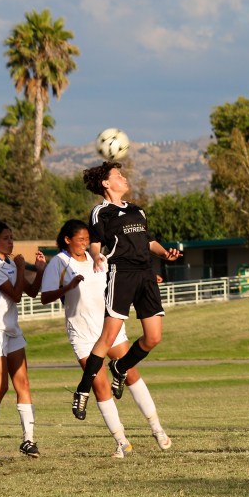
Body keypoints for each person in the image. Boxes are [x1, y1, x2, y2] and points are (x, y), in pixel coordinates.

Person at [41, 220, 172, 457]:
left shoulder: (100, 258)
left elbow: (124, 278)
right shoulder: (59, 262)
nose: (85, 243)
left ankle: (157, 429)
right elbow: (45, 297)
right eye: (80, 239)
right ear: (68, 240)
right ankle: (122, 442)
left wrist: (148, 279)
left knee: (131, 374)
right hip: (82, 333)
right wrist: (68, 287)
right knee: (100, 386)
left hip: (110, 327)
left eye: (88, 239)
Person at [71, 161, 181, 420]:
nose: (123, 178)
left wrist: (165, 253)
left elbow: (149, 242)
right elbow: (95, 243)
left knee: (153, 337)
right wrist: (96, 256)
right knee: (108, 336)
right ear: (106, 184)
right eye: (118, 175)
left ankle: (120, 367)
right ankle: (83, 390)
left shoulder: (137, 210)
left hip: (146, 275)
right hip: (122, 274)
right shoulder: (101, 212)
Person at [0, 222, 47, 462]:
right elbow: (15, 295)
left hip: (11, 329)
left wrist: (40, 271)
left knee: (23, 383)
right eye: (5, 238)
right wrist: (22, 267)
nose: (11, 242)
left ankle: (28, 440)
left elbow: (31, 292)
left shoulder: (10, 263)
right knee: (0, 386)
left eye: (12, 237)